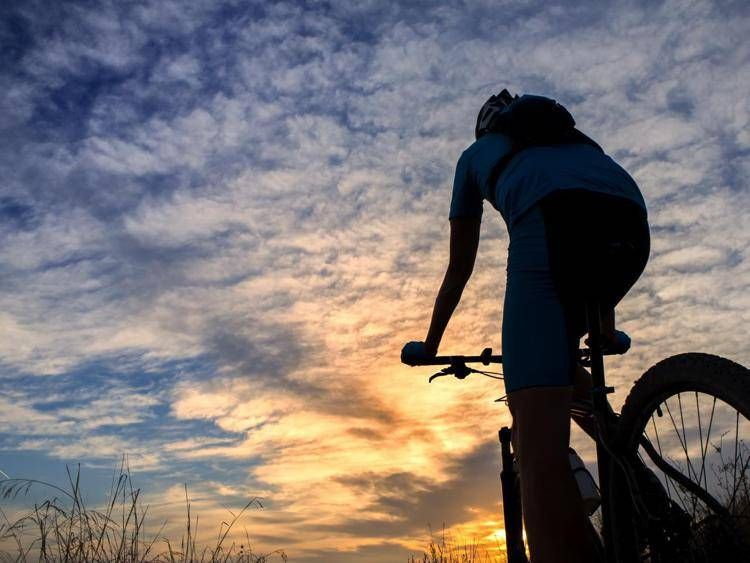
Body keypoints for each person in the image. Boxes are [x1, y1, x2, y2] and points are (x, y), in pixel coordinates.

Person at [401, 91, 650, 563]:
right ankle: (641, 479)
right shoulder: (572, 141)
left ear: (484, 130)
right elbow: (595, 220)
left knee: (536, 451)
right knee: (567, 362)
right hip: (630, 229)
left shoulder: (474, 156)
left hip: (552, 232)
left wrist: (430, 345)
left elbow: (460, 268)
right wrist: (604, 329)